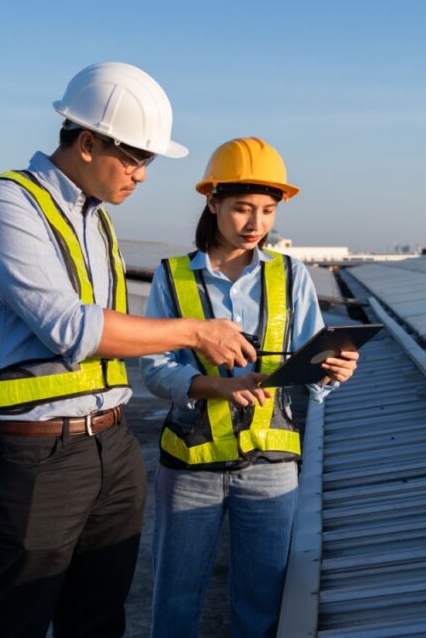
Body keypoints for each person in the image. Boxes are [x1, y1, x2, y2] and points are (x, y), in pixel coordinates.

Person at [0, 62, 257, 638]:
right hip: (34, 455)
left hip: (111, 448)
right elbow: (72, 328)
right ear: (87, 142)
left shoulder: (98, 222)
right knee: (12, 620)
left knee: (97, 621)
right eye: (137, 158)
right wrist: (197, 331)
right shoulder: (5, 205)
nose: (143, 176)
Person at [142, 137, 359, 637]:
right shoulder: (173, 278)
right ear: (212, 201)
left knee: (263, 606)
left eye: (266, 210)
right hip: (191, 466)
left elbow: (312, 363)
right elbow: (155, 370)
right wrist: (218, 388)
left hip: (271, 468)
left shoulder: (290, 275)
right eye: (242, 208)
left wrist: (333, 373)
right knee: (175, 601)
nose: (255, 223)